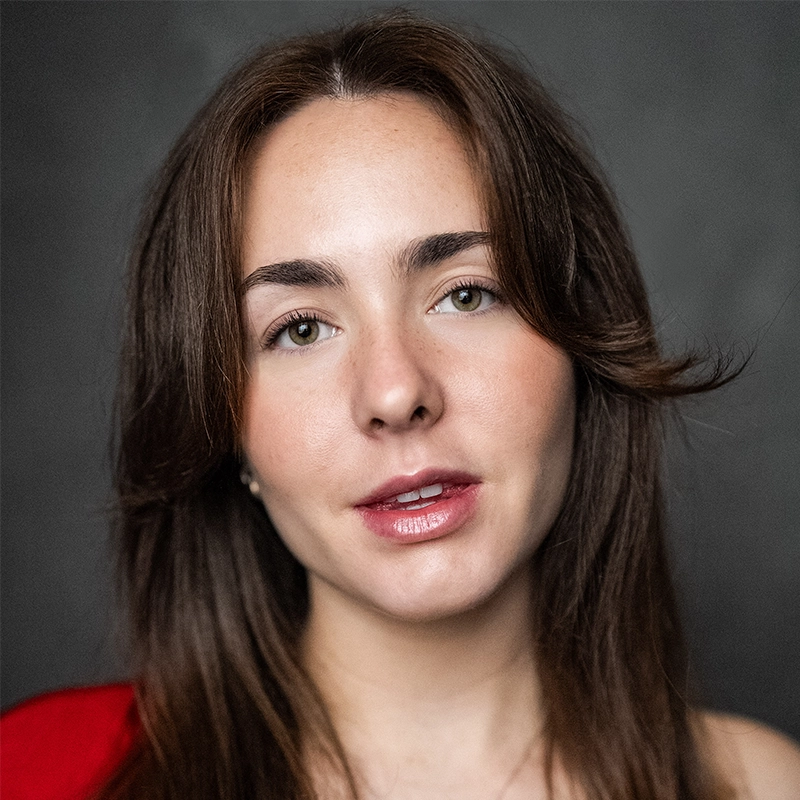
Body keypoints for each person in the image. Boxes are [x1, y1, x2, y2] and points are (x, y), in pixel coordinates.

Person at [2, 10, 798, 800]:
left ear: (580, 345)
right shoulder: (37, 775)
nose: (395, 392)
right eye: (300, 328)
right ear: (223, 426)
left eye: (465, 294)